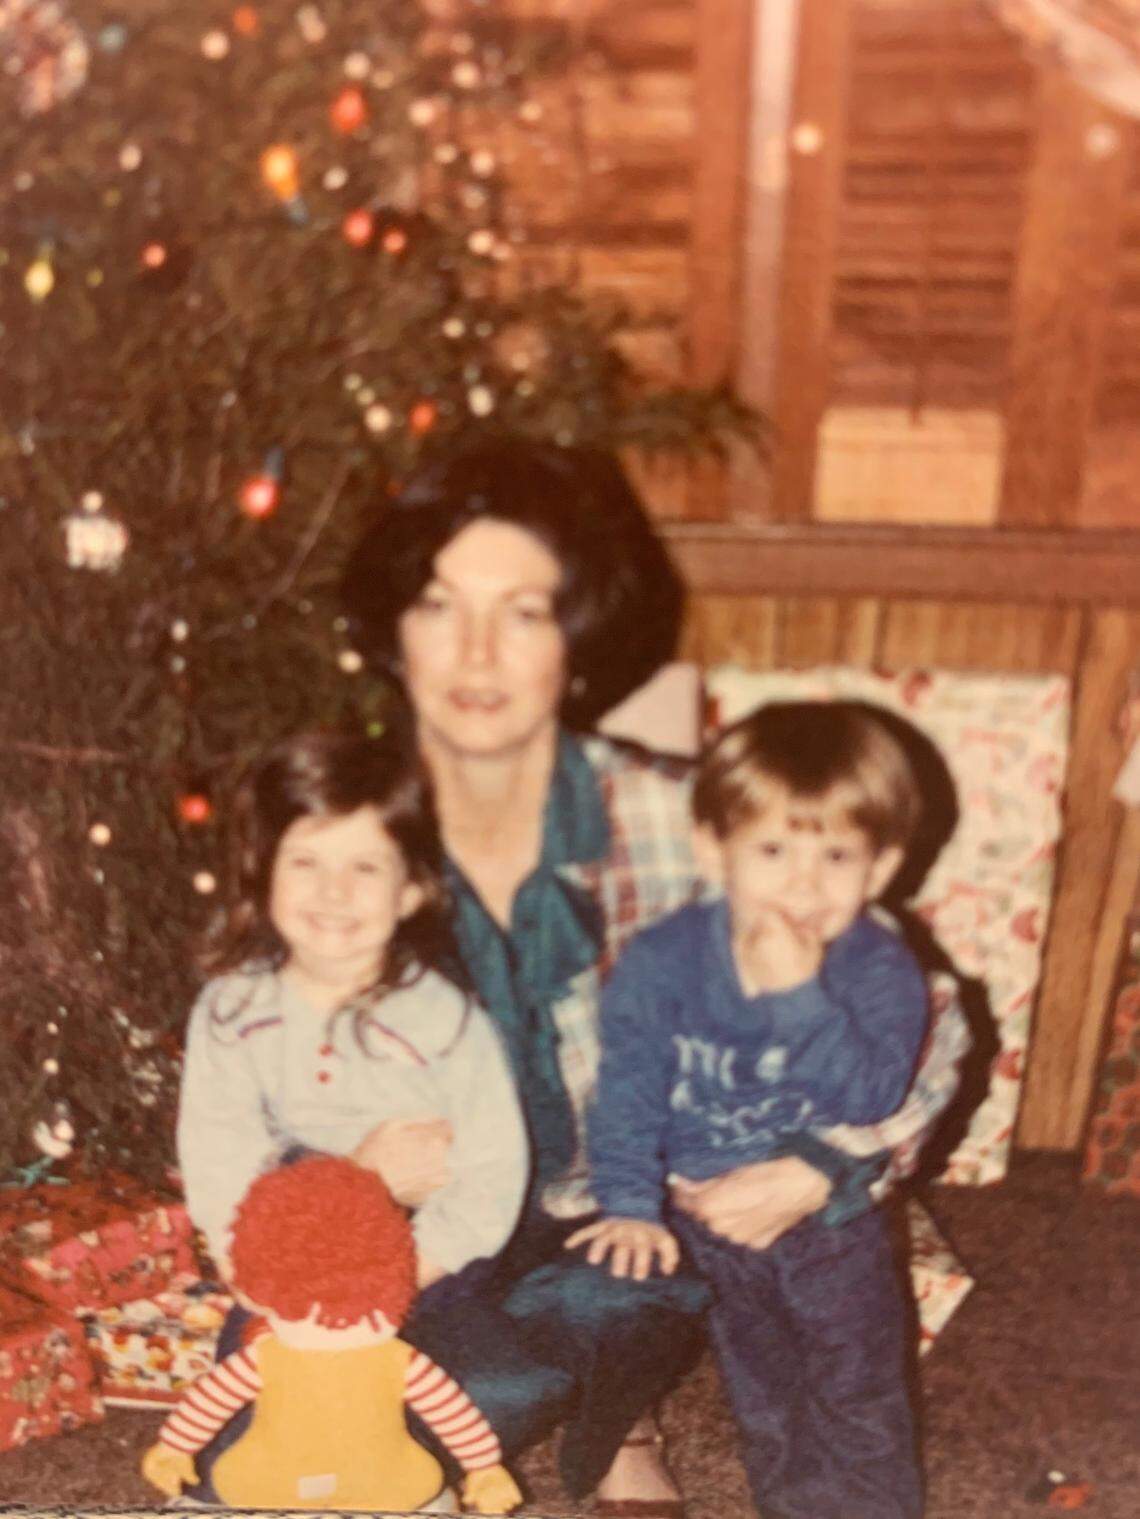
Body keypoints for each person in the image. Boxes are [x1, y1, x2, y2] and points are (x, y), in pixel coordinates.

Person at [339, 437, 972, 1516]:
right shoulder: (342, 834)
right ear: (396, 631)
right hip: (448, 1214)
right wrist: (357, 1167)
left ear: (577, 639)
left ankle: (620, 1408)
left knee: (551, 1348)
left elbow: (932, 1021)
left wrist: (825, 1165)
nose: (477, 652)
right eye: (440, 606)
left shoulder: (681, 824)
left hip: (627, 1199)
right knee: (340, 1421)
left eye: (524, 612)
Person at [575, 702, 931, 1519]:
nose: (804, 884)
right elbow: (626, 1086)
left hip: (831, 1224)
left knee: (858, 1392)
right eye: (773, 851)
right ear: (714, 850)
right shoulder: (665, 959)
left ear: (879, 869)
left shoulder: (877, 965)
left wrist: (801, 997)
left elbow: (871, 1095)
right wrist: (628, 1201)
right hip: (709, 1223)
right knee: (764, 1392)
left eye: (836, 855)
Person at [176, 729, 529, 1499]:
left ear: (410, 890)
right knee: (246, 1422)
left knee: (463, 1396)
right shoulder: (233, 1008)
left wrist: (395, 1277)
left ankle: (410, 1483)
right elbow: (219, 1147)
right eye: (306, 861)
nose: (333, 892)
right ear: (264, 871)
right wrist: (250, 1265)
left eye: (365, 867)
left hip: (424, 1242)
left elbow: (492, 1174)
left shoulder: (446, 1020)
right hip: (291, 1236)